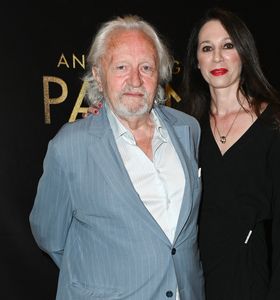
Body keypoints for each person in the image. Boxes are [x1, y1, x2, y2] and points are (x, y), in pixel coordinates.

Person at [29, 14, 205, 300]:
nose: (135, 80)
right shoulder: (69, 147)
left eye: (146, 67)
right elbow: (50, 237)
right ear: (99, 74)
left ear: (159, 74)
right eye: (121, 66)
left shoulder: (187, 129)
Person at [180, 7, 280, 300]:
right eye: (207, 48)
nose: (217, 57)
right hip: (191, 278)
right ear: (196, 61)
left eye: (228, 45)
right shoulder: (183, 125)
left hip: (249, 278)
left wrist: (278, 293)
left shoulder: (279, 124)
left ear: (244, 54)